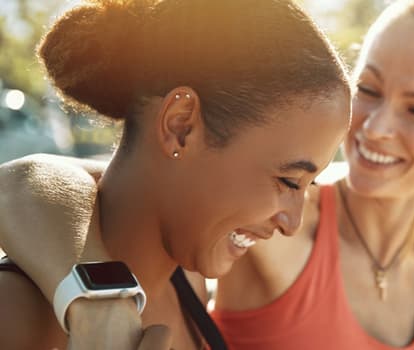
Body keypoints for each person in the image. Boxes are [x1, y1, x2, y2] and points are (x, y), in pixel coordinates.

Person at [0, 0, 414, 349]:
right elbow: (46, 183)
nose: (375, 128)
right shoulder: (265, 233)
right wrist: (100, 299)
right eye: (368, 89)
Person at [0, 0, 350, 349]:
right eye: (288, 181)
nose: (292, 223)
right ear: (180, 124)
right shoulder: (16, 317)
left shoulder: (188, 279)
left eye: (308, 185)